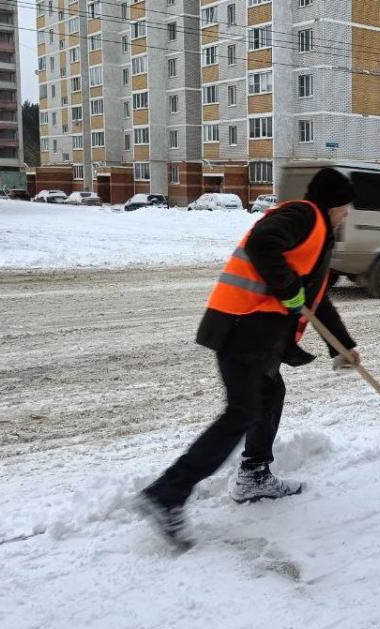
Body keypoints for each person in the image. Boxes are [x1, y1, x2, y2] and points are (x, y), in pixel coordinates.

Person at [135, 168, 360, 550]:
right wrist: (288, 289)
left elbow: (315, 300)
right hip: (242, 328)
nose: (348, 214)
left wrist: (342, 345)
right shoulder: (304, 217)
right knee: (241, 412)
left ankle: (254, 473)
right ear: (334, 204)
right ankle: (166, 494)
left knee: (270, 396)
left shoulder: (318, 236)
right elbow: (262, 242)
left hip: (255, 334)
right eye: (346, 206)